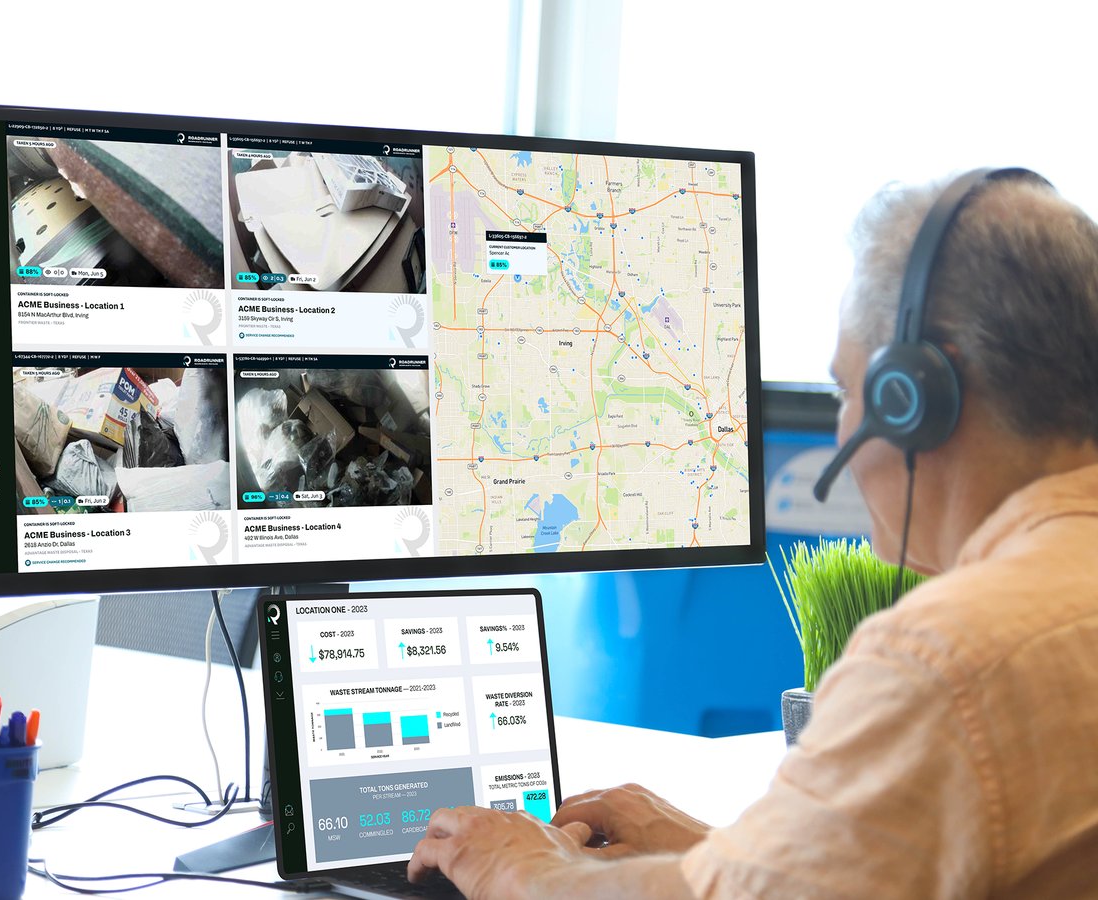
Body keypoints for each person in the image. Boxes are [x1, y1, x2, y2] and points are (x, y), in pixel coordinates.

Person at [407, 172, 1098, 898]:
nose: (842, 429)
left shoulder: (946, 660)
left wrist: (521, 866)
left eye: (845, 391)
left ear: (911, 400)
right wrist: (723, 855)